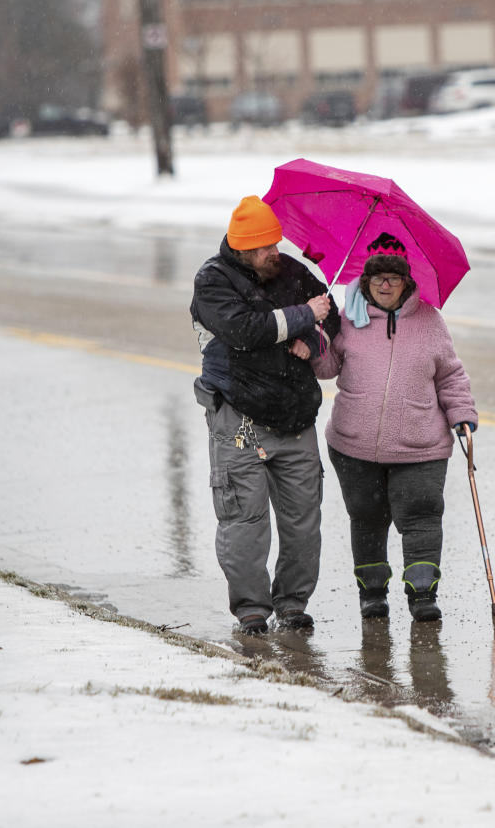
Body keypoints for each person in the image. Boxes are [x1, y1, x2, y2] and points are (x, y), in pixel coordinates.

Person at [189, 195, 340, 634]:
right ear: (242, 250)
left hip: (296, 418)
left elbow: (330, 317)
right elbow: (245, 331)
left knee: (302, 519)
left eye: (275, 243)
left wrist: (314, 340)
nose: (276, 252)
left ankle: (293, 603)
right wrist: (301, 317)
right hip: (239, 418)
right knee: (244, 520)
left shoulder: (289, 271)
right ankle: (252, 609)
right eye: (264, 247)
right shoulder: (213, 281)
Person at [314, 232, 477, 622]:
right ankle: (372, 594)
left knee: (421, 517)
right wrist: (318, 335)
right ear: (365, 280)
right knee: (367, 519)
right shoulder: (347, 319)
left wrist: (463, 415)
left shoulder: (430, 322)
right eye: (376, 277)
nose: (385, 284)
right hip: (354, 444)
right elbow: (325, 369)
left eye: (394, 277)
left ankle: (423, 595)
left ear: (407, 281)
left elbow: (451, 376)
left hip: (420, 447)